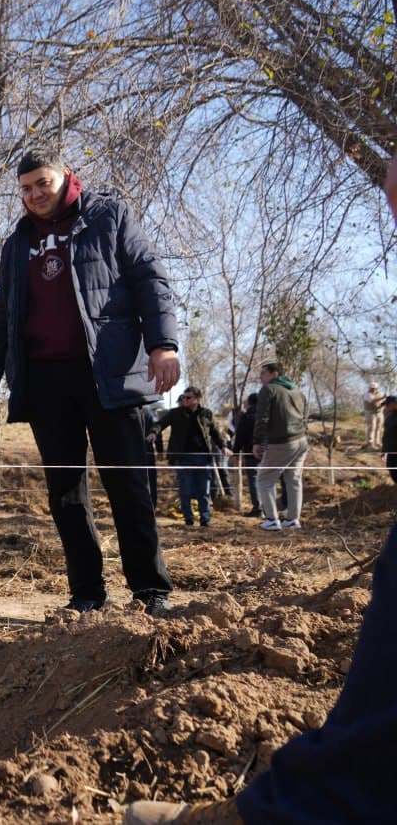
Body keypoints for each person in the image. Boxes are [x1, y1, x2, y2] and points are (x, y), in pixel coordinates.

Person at [122, 155, 397, 825]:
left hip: (259, 451)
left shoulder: (257, 402)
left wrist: (232, 454)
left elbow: (226, 438)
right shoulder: (189, 413)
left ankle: (310, 808)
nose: (386, 196)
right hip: (218, 458)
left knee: (276, 488)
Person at [0, 147, 181, 617]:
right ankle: (86, 593)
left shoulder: (109, 216)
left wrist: (162, 344)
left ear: (66, 176)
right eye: (25, 189)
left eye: (41, 183)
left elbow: (150, 279)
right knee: (65, 493)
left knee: (128, 485)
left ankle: (151, 591)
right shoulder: (16, 244)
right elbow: (3, 315)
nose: (34, 195)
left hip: (109, 374)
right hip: (45, 380)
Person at [151, 386, 229, 527]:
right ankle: (188, 519)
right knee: (185, 490)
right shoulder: (175, 413)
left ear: (197, 399)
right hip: (183, 457)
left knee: (203, 490)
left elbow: (215, 432)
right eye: (183, 397)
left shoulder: (206, 414)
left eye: (188, 397)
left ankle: (205, 519)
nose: (184, 400)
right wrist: (153, 433)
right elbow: (160, 424)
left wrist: (223, 447)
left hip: (204, 458)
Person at [253, 361, 308, 531]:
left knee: (264, 479)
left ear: (274, 373)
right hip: (301, 441)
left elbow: (262, 418)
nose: (260, 377)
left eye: (263, 373)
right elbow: (305, 415)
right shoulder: (297, 390)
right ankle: (293, 519)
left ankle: (271, 519)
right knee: (294, 480)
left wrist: (257, 441)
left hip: (281, 442)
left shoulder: (269, 390)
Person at [229, 393, 262, 516]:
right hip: (268, 452)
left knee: (254, 480)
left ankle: (258, 509)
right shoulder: (267, 416)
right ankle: (269, 508)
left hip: (250, 452)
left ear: (249, 403)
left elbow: (240, 436)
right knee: (268, 480)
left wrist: (236, 452)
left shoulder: (247, 416)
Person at [364, 382, 386, 449]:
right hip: (370, 413)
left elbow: (383, 402)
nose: (373, 389)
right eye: (372, 388)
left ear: (376, 388)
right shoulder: (367, 394)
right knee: (372, 428)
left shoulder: (380, 394)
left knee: (379, 428)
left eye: (374, 388)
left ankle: (378, 442)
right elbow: (373, 401)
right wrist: (383, 397)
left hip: (379, 412)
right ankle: (370, 442)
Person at [383, 394, 397, 484]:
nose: (386, 406)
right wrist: (384, 450)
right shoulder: (389, 417)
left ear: (394, 403)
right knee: (391, 468)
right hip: (391, 449)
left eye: (387, 404)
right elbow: (386, 434)